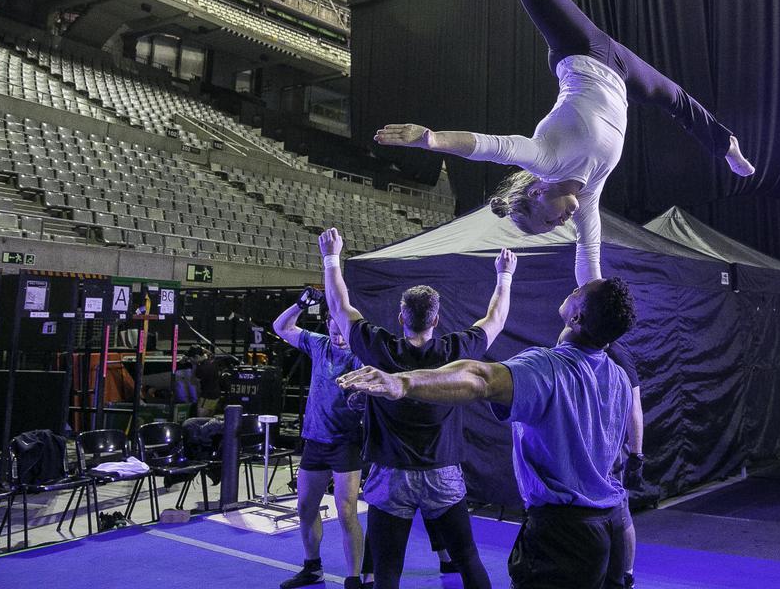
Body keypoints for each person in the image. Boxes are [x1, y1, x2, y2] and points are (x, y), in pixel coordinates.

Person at [374, 0, 755, 287]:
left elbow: (489, 146)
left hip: (581, 51)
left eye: (547, 222)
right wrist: (589, 303)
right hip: (623, 72)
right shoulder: (588, 194)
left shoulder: (545, 162)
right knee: (674, 99)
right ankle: (725, 144)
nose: (561, 224)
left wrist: (430, 139)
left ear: (536, 194)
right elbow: (588, 254)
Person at [339, 276, 638, 589]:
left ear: (576, 318)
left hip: (563, 534)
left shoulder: (548, 367)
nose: (574, 288)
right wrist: (505, 278)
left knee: (394, 567)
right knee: (466, 557)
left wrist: (402, 383)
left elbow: (480, 379)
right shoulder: (617, 376)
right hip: (610, 527)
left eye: (579, 292)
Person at [318, 227, 511, 589]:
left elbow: (339, 306)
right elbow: (496, 319)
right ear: (436, 320)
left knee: (388, 570)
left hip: (391, 475)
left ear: (400, 317)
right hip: (443, 473)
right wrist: (505, 275)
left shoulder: (379, 349)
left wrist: (331, 256)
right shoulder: (456, 352)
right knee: (468, 558)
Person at [270, 287, 365, 589]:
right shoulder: (319, 345)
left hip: (346, 442)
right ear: (327, 325)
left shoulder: (362, 356)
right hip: (315, 440)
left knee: (347, 511)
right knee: (305, 508)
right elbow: (280, 327)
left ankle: (354, 580)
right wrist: (300, 304)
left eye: (344, 334)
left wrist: (360, 394)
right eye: (335, 332)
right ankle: (313, 568)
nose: (340, 339)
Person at [606, 341, 644, 588]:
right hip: (592, 446)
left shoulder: (616, 354)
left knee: (620, 512)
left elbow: (634, 406)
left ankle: (626, 574)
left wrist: (636, 455)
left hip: (613, 449)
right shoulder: (581, 345)